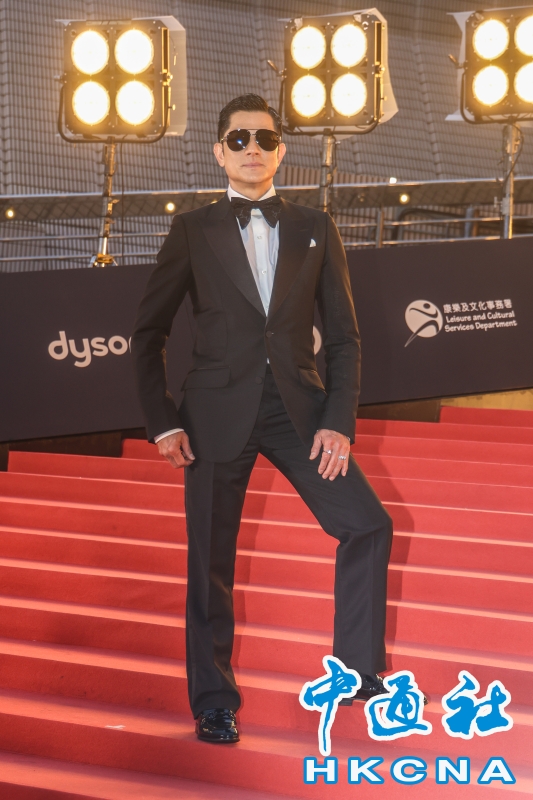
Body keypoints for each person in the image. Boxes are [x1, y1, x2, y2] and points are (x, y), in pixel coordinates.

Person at [131, 93, 393, 745]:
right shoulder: (191, 230)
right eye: (239, 139)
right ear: (219, 152)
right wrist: (162, 421)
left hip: (300, 413)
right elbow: (148, 333)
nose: (253, 149)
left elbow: (343, 337)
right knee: (210, 564)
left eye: (265, 139)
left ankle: (359, 670)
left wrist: (338, 419)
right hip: (213, 415)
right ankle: (213, 702)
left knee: (367, 523)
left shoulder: (315, 227)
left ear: (281, 151)